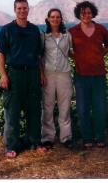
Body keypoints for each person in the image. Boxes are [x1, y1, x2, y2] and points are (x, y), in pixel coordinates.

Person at [0, 0, 47, 158]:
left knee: (34, 109)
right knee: (13, 111)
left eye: (25, 8)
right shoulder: (6, 30)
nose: (22, 11)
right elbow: (1, 54)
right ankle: (11, 145)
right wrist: (3, 75)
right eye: (19, 8)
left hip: (32, 74)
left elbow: (39, 55)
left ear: (28, 9)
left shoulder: (34, 30)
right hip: (14, 74)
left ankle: (34, 141)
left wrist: (42, 73)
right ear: (14, 10)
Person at [68, 1, 108, 149]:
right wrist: (78, 58)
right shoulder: (72, 32)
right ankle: (87, 138)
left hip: (99, 75)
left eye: (88, 12)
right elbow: (67, 50)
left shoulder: (101, 29)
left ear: (93, 13)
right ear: (78, 15)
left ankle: (100, 137)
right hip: (81, 77)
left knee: (99, 107)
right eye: (82, 13)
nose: (86, 15)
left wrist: (100, 55)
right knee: (82, 108)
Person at [40, 8, 74, 149]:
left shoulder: (67, 36)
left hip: (64, 74)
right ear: (47, 19)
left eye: (58, 17)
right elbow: (39, 57)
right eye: (52, 17)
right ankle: (47, 137)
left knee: (64, 107)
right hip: (48, 75)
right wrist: (41, 74)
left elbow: (72, 53)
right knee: (47, 107)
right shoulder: (43, 36)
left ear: (61, 19)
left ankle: (66, 137)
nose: (55, 19)